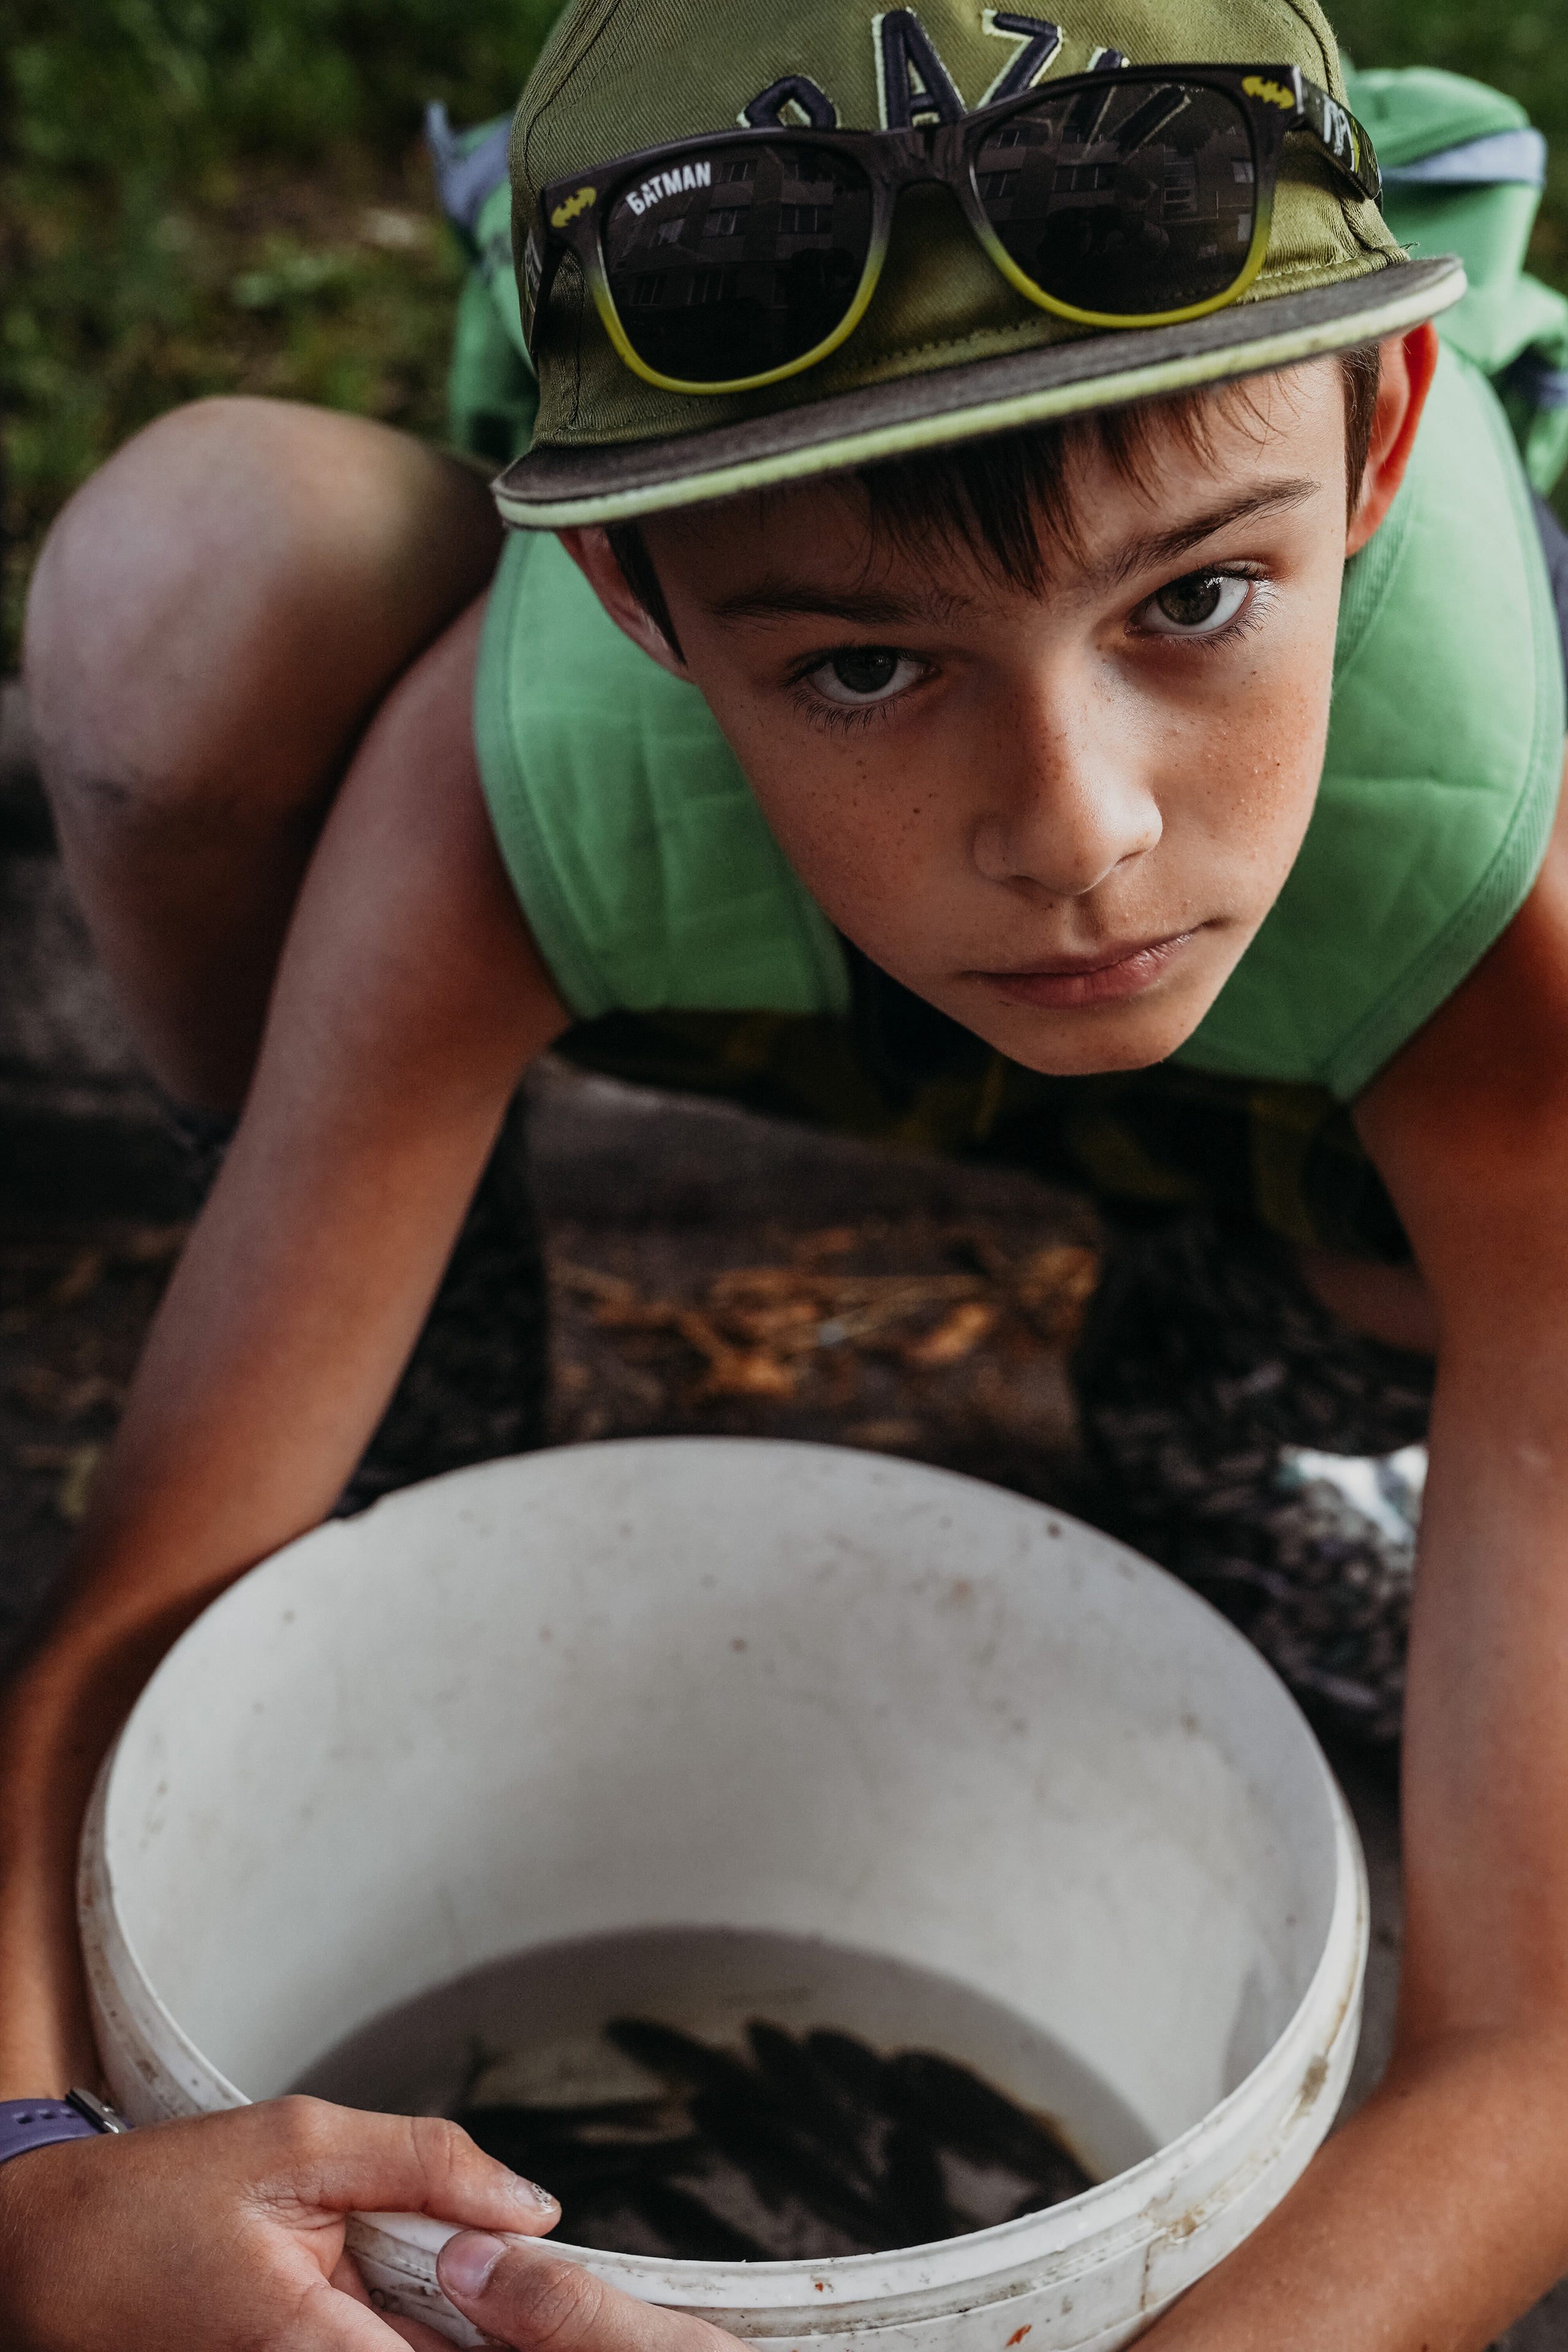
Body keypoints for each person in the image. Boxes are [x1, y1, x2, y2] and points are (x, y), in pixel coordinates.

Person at [5, 0, 1568, 2344]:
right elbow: (129, 1620)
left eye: (1194, 602)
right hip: (764, 968)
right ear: (642, 607)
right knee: (185, 576)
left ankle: (1223, 1379)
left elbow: (1531, 2043)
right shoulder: (518, 786)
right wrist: (25, 2179)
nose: (1081, 830)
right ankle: (420, 1317)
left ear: (1376, 448)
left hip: (1334, 1063)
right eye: (862, 667)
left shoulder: (1499, 898)